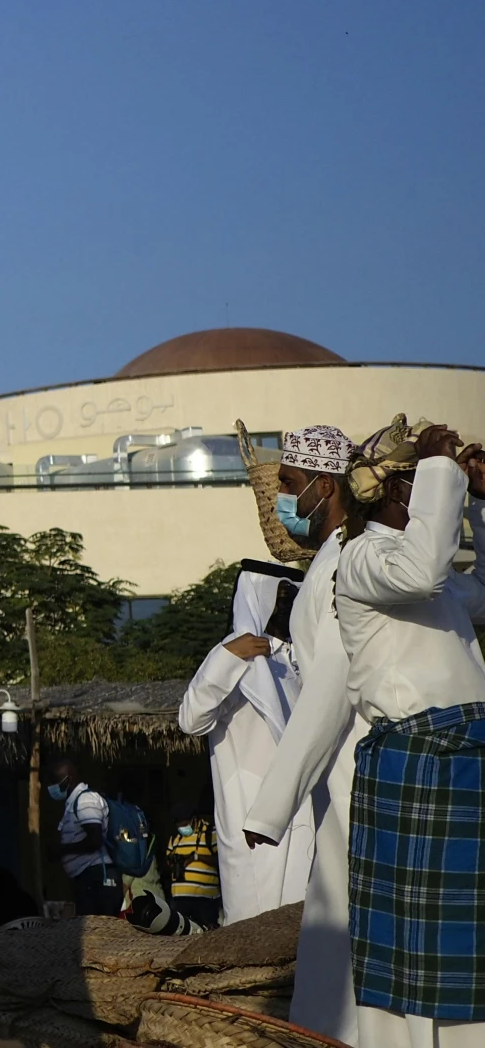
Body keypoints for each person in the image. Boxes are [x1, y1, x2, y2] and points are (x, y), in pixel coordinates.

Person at [328, 420, 485, 1048]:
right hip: (421, 764)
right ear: (396, 491)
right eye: (418, 480)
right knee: (414, 961)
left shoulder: (434, 578)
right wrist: (440, 466)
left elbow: (474, 590)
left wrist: (476, 498)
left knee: (465, 954)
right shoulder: (363, 559)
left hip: (461, 765)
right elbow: (421, 571)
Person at [243, 423, 368, 1041]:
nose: (281, 500)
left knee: (346, 926)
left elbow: (330, 688)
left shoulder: (348, 562)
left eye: (289, 485)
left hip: (353, 767)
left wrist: (268, 808)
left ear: (324, 485)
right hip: (336, 773)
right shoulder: (330, 558)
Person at [175, 560, 311, 921]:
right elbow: (191, 719)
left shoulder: (298, 661)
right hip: (251, 822)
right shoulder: (230, 660)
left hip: (303, 818)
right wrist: (231, 656)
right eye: (279, 596)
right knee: (255, 934)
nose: (285, 606)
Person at [45, 758, 121, 916]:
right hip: (88, 878)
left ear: (69, 779)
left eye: (56, 781)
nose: (52, 787)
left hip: (97, 878)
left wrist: (62, 850)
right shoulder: (73, 803)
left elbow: (95, 840)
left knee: (98, 933)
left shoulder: (85, 800)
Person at [162, 801, 222, 930]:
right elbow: (167, 863)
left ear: (193, 819)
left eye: (184, 823)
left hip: (205, 899)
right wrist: (173, 862)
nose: (182, 827)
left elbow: (221, 860)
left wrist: (196, 857)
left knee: (208, 936)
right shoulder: (175, 838)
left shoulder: (209, 833)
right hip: (180, 899)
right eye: (178, 824)